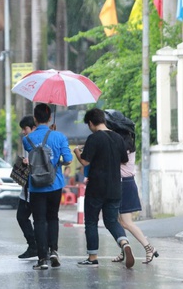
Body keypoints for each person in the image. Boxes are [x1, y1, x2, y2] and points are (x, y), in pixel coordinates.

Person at [74, 108, 134, 268]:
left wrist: (77, 152)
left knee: (91, 221)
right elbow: (124, 160)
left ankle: (92, 257)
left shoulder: (94, 138)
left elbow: (85, 162)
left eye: (89, 125)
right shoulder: (118, 138)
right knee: (112, 221)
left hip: (96, 187)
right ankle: (124, 243)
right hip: (115, 187)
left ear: (91, 123)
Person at [23, 104, 73, 270]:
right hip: (55, 183)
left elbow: (34, 154)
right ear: (50, 117)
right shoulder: (59, 136)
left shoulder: (27, 139)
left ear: (35, 119)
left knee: (39, 220)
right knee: (53, 217)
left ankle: (42, 259)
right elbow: (68, 159)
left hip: (36, 186)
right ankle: (54, 251)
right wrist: (57, 160)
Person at [112, 128, 159, 264]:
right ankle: (123, 249)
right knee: (120, 222)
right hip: (124, 183)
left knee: (126, 222)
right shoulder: (128, 145)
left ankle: (149, 248)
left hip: (124, 185)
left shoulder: (123, 148)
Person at [16, 116, 37, 259]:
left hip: (36, 186)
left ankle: (38, 247)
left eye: (25, 128)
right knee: (22, 216)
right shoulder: (29, 141)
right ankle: (35, 246)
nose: (24, 132)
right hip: (28, 185)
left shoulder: (33, 140)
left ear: (33, 127)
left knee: (35, 218)